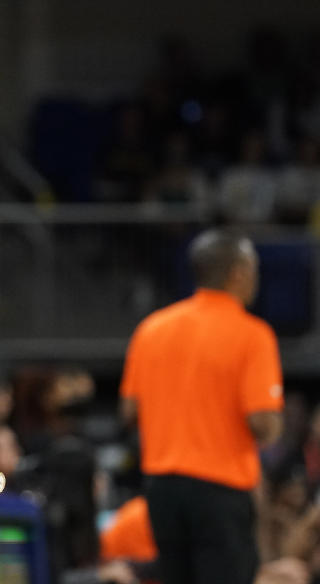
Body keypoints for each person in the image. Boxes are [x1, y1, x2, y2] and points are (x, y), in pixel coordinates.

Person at [120, 229, 285, 584]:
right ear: (238, 272)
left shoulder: (152, 329)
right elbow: (262, 422)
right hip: (220, 492)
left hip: (161, 490)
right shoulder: (253, 335)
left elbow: (128, 412)